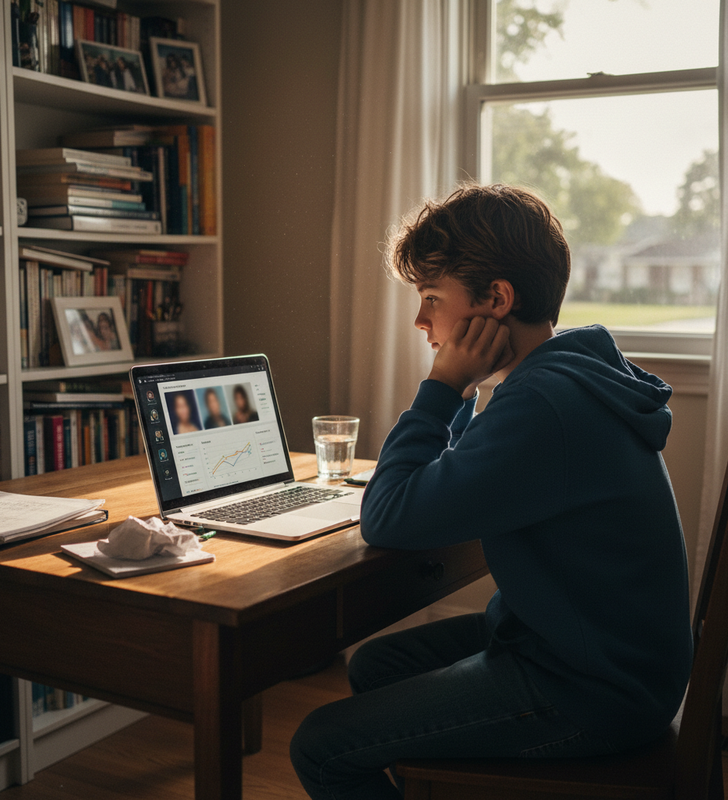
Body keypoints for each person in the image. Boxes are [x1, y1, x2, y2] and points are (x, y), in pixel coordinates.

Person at [290, 184, 694, 800]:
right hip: (598, 653)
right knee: (376, 665)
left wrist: (443, 388)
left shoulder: (545, 406)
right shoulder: (567, 376)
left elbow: (390, 515)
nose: (422, 321)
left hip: (590, 689)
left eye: (431, 299)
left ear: (496, 299)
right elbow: (454, 477)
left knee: (320, 746)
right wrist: (466, 390)